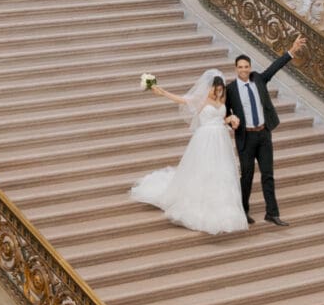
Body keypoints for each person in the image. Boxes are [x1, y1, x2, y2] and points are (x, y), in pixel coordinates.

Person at [132, 70, 246, 237]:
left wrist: (230, 119)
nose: (219, 92)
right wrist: (162, 92)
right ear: (210, 88)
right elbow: (182, 100)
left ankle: (224, 208)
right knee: (204, 171)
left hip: (221, 140)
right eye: (216, 89)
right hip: (205, 139)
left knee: (222, 172)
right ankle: (199, 207)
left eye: (221, 89)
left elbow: (220, 119)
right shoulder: (201, 100)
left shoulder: (222, 100)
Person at [226, 37, 308, 226]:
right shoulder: (230, 90)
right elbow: (225, 113)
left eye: (246, 66)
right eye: (240, 67)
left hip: (263, 134)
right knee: (246, 176)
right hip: (245, 137)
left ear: (250, 67)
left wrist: (292, 50)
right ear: (236, 69)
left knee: (268, 174)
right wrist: (231, 121)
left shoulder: (259, 80)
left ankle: (272, 212)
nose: (244, 70)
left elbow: (275, 67)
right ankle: (243, 211)